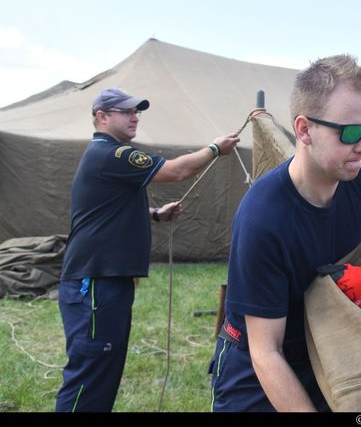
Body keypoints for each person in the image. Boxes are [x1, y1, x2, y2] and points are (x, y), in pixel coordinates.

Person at [209, 55, 361, 412]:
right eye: (351, 132)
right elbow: (266, 353)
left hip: (327, 349)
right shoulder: (263, 217)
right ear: (305, 129)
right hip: (255, 366)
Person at [55, 87, 240, 412]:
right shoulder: (112, 154)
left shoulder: (108, 158)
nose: (134, 117)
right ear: (102, 117)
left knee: (103, 371)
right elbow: (177, 170)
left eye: (136, 111)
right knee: (89, 375)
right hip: (95, 283)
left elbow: (106, 208)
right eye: (126, 111)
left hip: (105, 281)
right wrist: (214, 148)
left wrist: (156, 214)